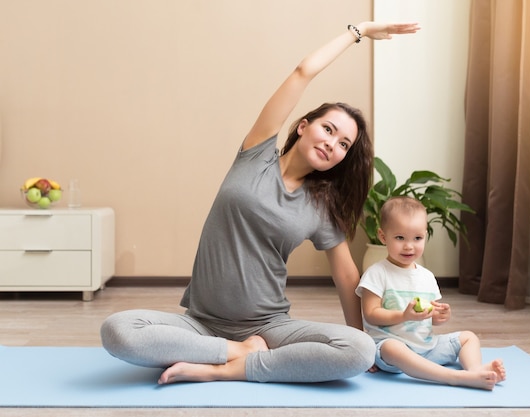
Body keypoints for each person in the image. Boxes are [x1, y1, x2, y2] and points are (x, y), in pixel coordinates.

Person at [100, 22, 420, 385]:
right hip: (199, 324)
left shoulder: (321, 205)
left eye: (344, 144)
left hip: (269, 328)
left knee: (358, 351)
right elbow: (303, 71)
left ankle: (232, 368)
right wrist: (357, 32)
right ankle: (236, 354)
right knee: (118, 330)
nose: (333, 144)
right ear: (303, 126)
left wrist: (363, 337)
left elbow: (346, 276)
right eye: (328, 130)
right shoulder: (257, 154)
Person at [356, 196, 506, 390]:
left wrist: (440, 316)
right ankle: (454, 377)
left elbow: (431, 320)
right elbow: (371, 314)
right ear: (383, 236)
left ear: (425, 236)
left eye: (417, 238)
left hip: (427, 347)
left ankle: (475, 370)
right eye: (400, 238)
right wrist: (403, 316)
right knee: (392, 348)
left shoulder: (426, 276)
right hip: (391, 351)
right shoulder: (377, 273)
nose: (409, 246)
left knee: (468, 337)